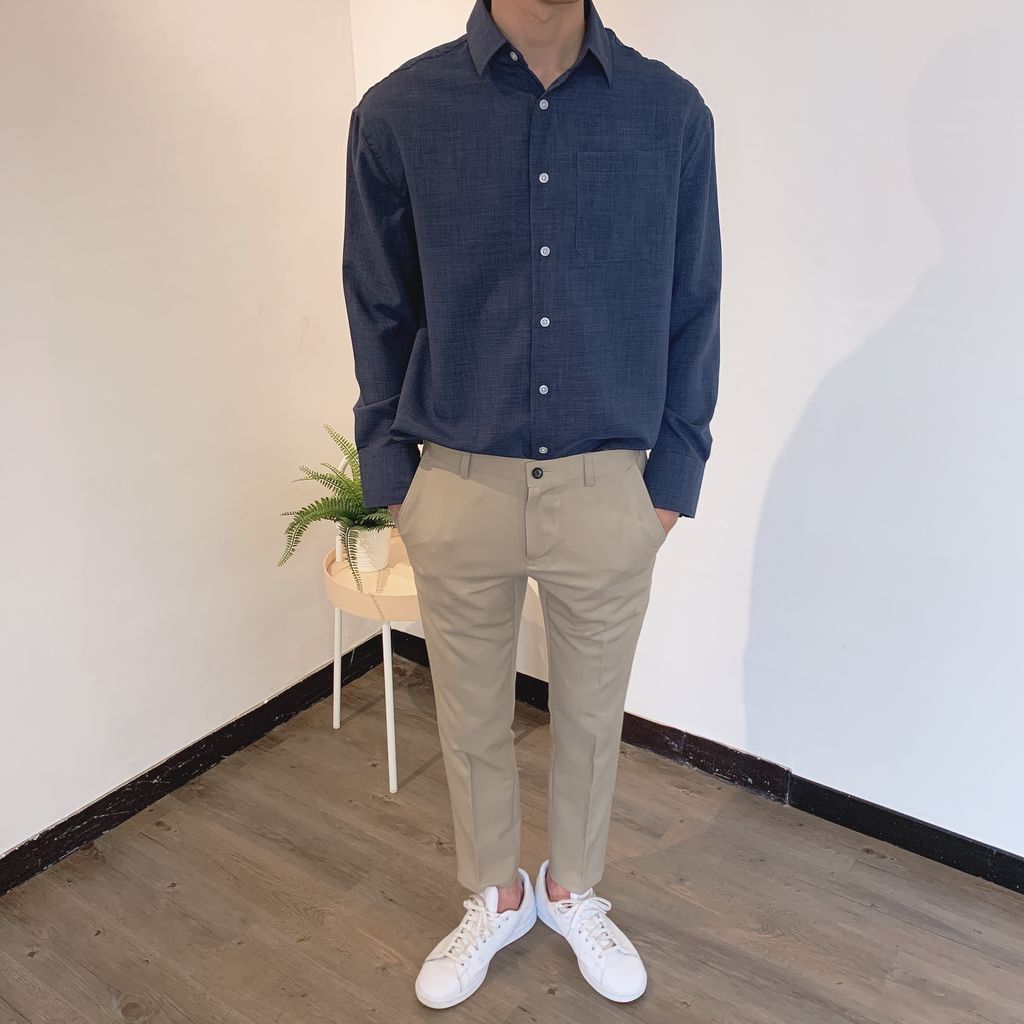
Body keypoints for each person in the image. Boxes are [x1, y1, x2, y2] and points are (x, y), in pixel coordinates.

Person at [342, 0, 721, 1008]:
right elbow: (377, 303)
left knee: (592, 716)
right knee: (470, 716)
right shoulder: (399, 112)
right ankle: (496, 896)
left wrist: (670, 482)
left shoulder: (669, 114)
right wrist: (395, 477)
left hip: (608, 487)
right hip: (458, 481)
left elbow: (693, 304)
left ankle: (571, 889)